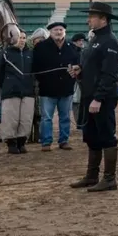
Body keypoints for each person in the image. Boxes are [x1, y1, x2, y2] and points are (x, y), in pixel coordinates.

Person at [69, 2, 118, 192]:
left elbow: (109, 74)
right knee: (91, 136)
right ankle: (92, 175)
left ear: (103, 19)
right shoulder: (94, 39)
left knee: (106, 135)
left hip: (103, 98)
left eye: (91, 16)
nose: (88, 19)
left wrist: (98, 98)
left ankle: (109, 178)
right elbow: (93, 67)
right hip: (88, 94)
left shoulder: (111, 42)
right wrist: (80, 71)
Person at [33, 21, 79, 151]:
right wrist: (43, 80)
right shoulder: (41, 47)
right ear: (50, 32)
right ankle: (46, 142)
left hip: (66, 88)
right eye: (56, 30)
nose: (59, 32)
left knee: (65, 117)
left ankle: (64, 140)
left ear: (64, 32)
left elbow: (77, 64)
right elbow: (36, 68)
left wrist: (76, 71)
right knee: (46, 118)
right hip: (47, 89)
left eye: (61, 30)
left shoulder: (71, 47)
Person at [0, 30, 35, 154]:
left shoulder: (30, 53)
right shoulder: (5, 53)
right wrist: (8, 84)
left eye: (24, 37)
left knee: (26, 118)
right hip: (11, 91)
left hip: (28, 91)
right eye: (19, 37)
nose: (22, 40)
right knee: (11, 118)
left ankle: (22, 142)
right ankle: (11, 143)